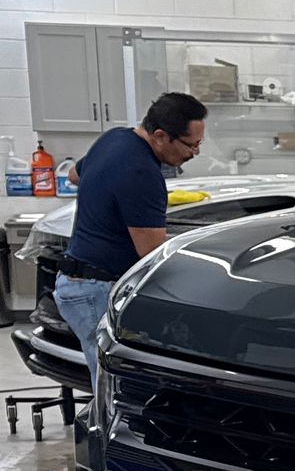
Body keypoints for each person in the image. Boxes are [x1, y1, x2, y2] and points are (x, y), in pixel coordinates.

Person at [55, 92, 207, 379]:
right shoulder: (142, 173)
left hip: (75, 281)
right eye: (191, 145)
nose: (194, 153)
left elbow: (75, 176)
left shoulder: (114, 139)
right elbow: (151, 254)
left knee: (107, 379)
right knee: (113, 387)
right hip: (95, 291)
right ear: (161, 135)